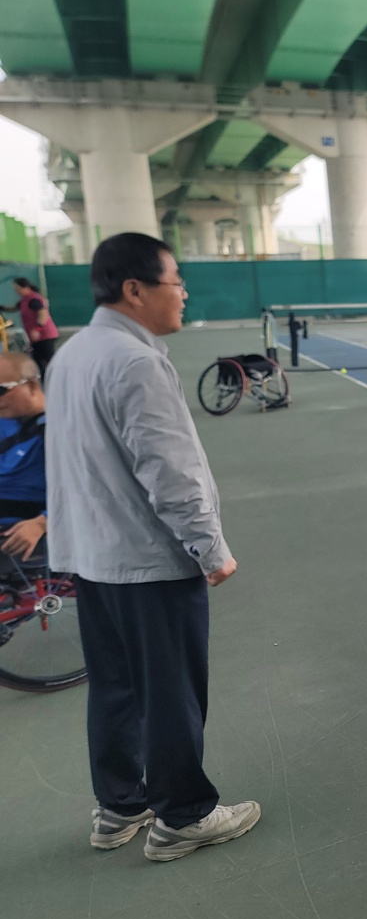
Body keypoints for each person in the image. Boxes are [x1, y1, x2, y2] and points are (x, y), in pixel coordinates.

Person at [45, 232, 260, 861]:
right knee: (170, 691)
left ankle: (120, 806)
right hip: (147, 560)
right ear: (135, 290)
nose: (183, 293)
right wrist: (209, 547)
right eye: (176, 281)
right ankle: (184, 815)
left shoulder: (72, 354)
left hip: (93, 557)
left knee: (115, 687)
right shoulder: (135, 362)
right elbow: (169, 469)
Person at [0, 352, 50, 565]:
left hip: (23, 529)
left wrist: (42, 524)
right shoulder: (5, 422)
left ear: (31, 386)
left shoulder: (60, 431)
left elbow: (86, 490)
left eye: (1, 390)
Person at [5, 277, 60, 379]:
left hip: (45, 335)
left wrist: (37, 329)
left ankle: (57, 378)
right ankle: (46, 380)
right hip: (35, 337)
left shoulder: (33, 299)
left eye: (17, 289)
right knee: (38, 360)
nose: (16, 292)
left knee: (48, 359)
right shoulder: (24, 300)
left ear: (25, 287)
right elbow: (13, 308)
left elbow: (43, 314)